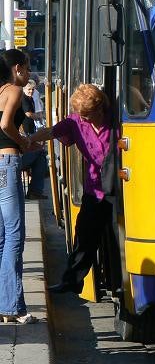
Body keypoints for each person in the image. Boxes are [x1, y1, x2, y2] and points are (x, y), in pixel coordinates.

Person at [29, 84, 113, 295]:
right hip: (94, 189)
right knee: (84, 236)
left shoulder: (116, 119)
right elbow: (51, 132)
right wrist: (27, 140)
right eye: (80, 114)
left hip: (121, 189)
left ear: (99, 109)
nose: (82, 118)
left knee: (115, 237)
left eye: (86, 114)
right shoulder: (76, 122)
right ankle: (72, 282)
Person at [0, 49, 38, 324]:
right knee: (14, 236)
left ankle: (8, 304)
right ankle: (14, 308)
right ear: (16, 69)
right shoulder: (13, 90)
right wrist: (23, 142)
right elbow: (5, 125)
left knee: (2, 238)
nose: (28, 72)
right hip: (8, 163)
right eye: (26, 66)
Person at [20, 80, 47, 200]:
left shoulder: (29, 99)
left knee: (40, 154)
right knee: (40, 154)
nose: (31, 91)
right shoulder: (24, 99)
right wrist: (39, 116)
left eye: (33, 89)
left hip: (26, 138)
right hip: (13, 155)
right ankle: (35, 191)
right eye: (29, 89)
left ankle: (35, 190)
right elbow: (28, 114)